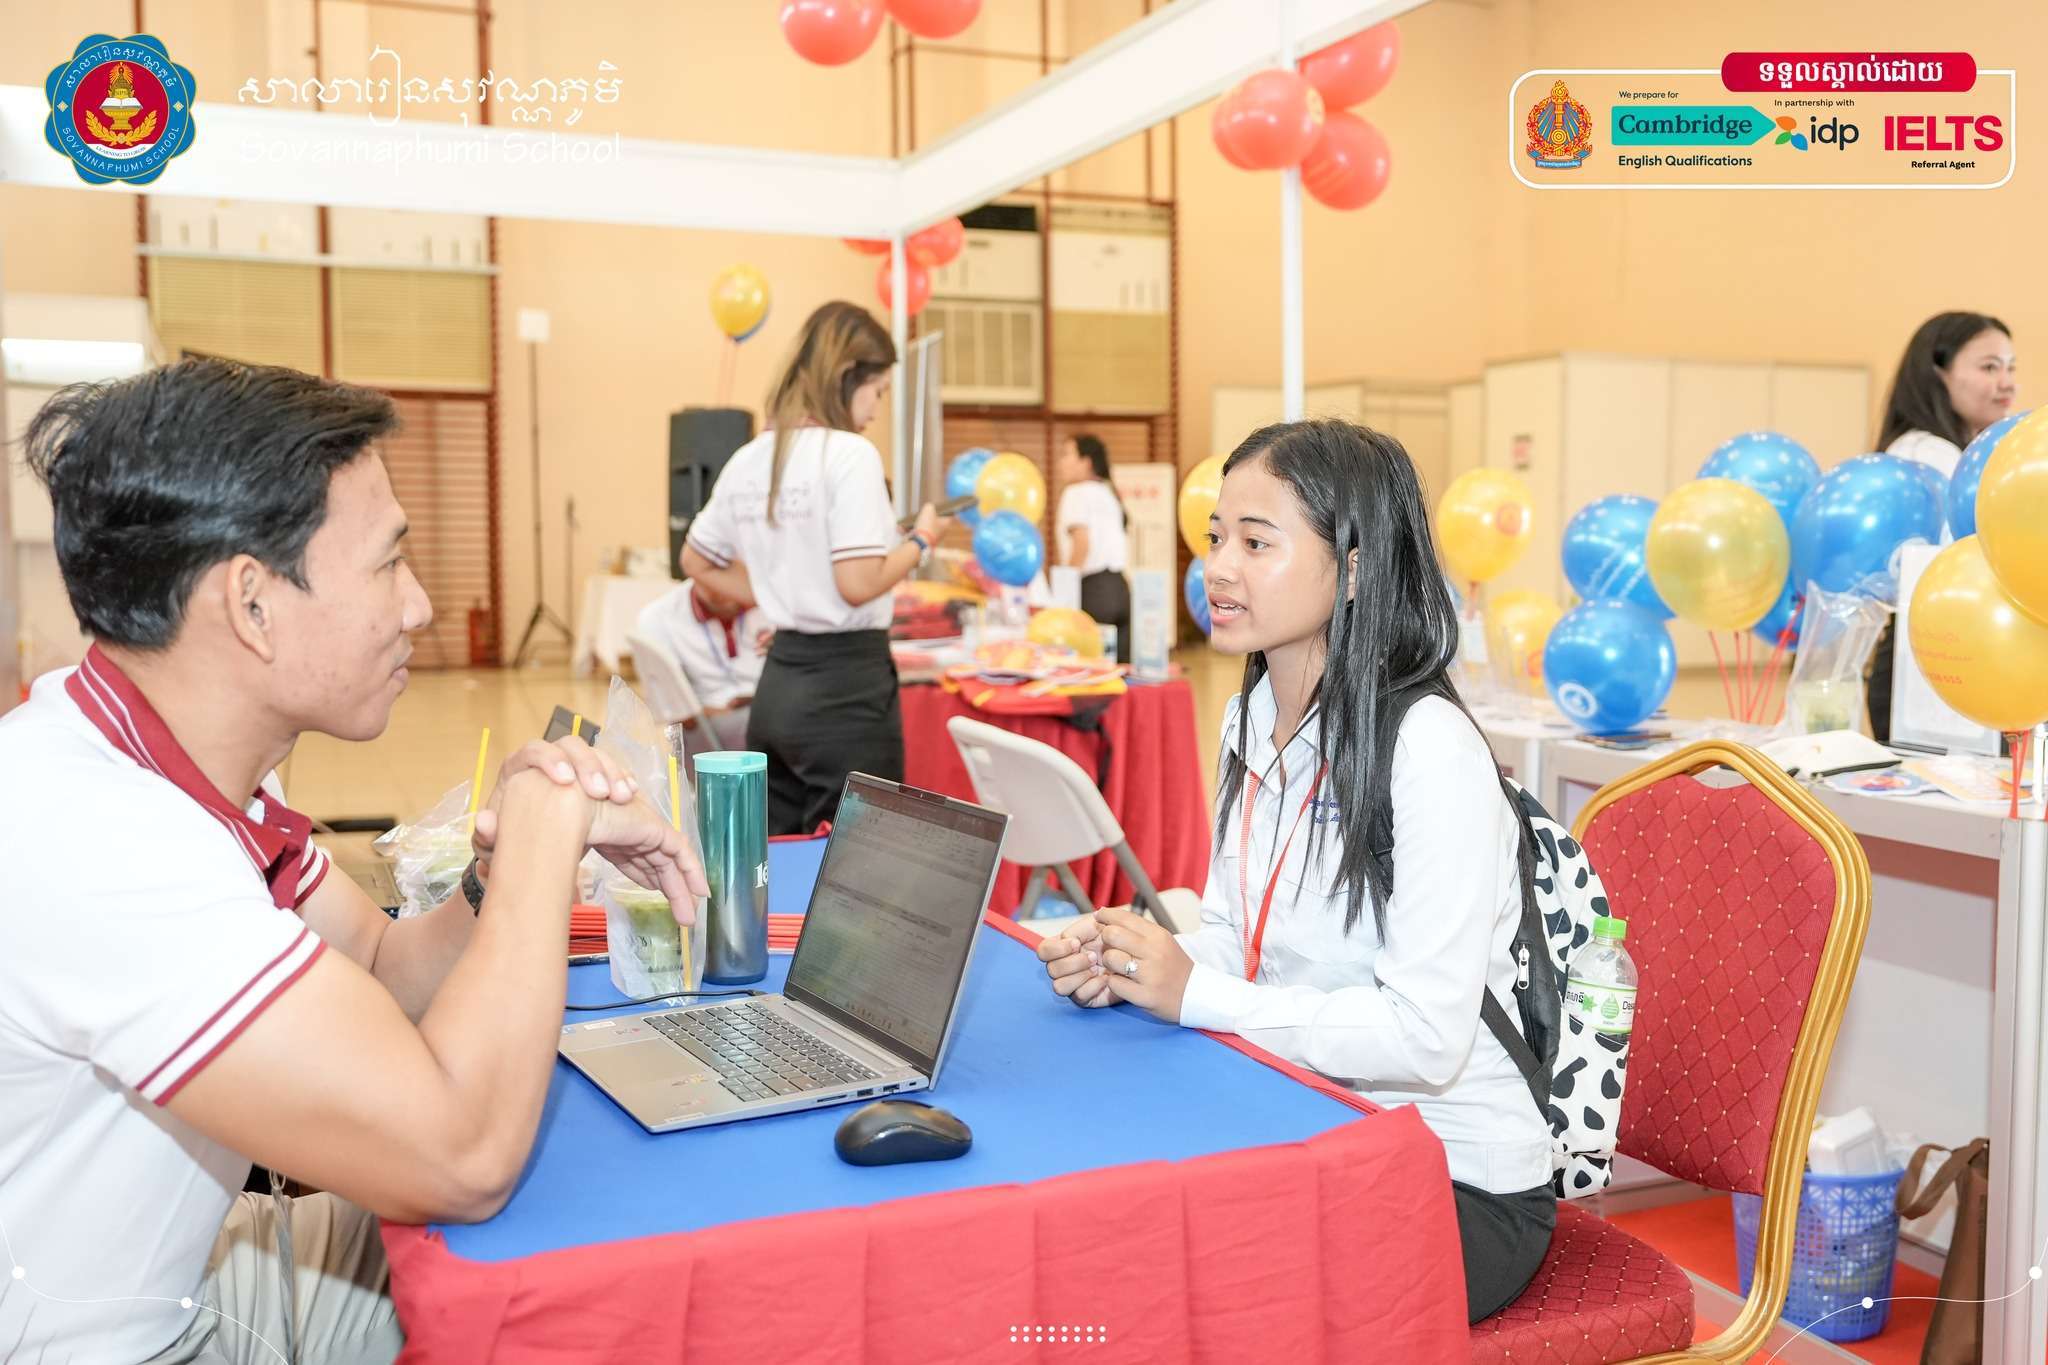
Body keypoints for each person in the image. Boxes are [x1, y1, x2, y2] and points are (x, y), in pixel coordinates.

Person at [0, 358, 706, 1365]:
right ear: (250, 604)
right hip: (99, 1341)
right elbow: (460, 1156)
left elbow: (381, 967)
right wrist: (549, 843)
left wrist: (502, 860)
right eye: (387, 564)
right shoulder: (104, 842)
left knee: (589, 1248)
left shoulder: (154, 749)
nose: (418, 607)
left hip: (171, 1281)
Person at [1034, 418, 1555, 1323]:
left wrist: (1195, 993)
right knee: (1098, 1233)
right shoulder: (1251, 717)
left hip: (1451, 1179)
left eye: (1256, 541)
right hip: (1309, 1124)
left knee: (1176, 1299)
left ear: (1351, 569)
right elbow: (1240, 937)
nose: (1219, 568)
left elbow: (1426, 1038)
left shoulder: (1428, 747)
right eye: (1215, 538)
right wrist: (1140, 960)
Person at [681, 301, 950, 836]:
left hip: (778, 689)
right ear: (849, 379)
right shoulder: (850, 455)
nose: (875, 411)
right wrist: (922, 540)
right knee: (856, 866)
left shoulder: (753, 456)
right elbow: (856, 585)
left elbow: (694, 560)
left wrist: (776, 593)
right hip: (845, 692)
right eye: (877, 393)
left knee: (780, 860)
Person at [1866, 313, 2018, 740]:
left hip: (1962, 661)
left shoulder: (1962, 453)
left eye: (2010, 367)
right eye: (1989, 367)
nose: (2007, 383)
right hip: (1933, 668)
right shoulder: (1925, 455)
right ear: (1937, 374)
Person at [635, 574, 770, 741]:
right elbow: (676, 713)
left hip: (767, 703)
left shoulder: (770, 598)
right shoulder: (658, 618)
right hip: (709, 722)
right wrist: (706, 713)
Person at [1053, 433, 1132, 663]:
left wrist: (1064, 593)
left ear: (1086, 462)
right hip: (1120, 589)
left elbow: (1081, 544)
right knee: (1120, 671)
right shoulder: (1109, 493)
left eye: (1067, 455)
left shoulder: (1075, 493)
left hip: (1092, 592)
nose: (1061, 462)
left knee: (1089, 670)